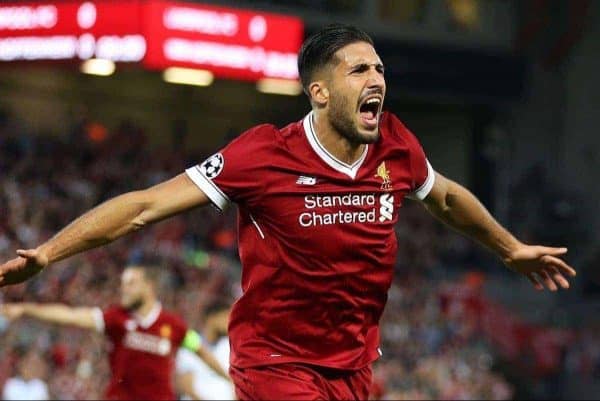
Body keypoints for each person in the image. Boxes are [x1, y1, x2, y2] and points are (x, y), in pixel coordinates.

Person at [0, 24, 576, 400]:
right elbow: (145, 207)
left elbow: (445, 196)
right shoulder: (263, 154)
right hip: (274, 363)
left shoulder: (396, 145)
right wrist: (49, 252)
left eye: (380, 70)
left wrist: (510, 247)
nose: (377, 79)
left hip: (351, 366)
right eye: (359, 70)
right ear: (320, 92)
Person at [0, 265, 229, 400]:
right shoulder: (115, 318)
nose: (124, 289)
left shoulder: (174, 326)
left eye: (131, 284)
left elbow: (202, 352)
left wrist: (230, 380)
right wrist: (25, 309)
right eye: (123, 284)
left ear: (149, 287)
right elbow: (71, 315)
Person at [176, 304, 234, 400]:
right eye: (224, 317)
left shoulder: (228, 347)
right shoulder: (192, 343)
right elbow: (187, 387)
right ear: (211, 318)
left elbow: (234, 385)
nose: (228, 322)